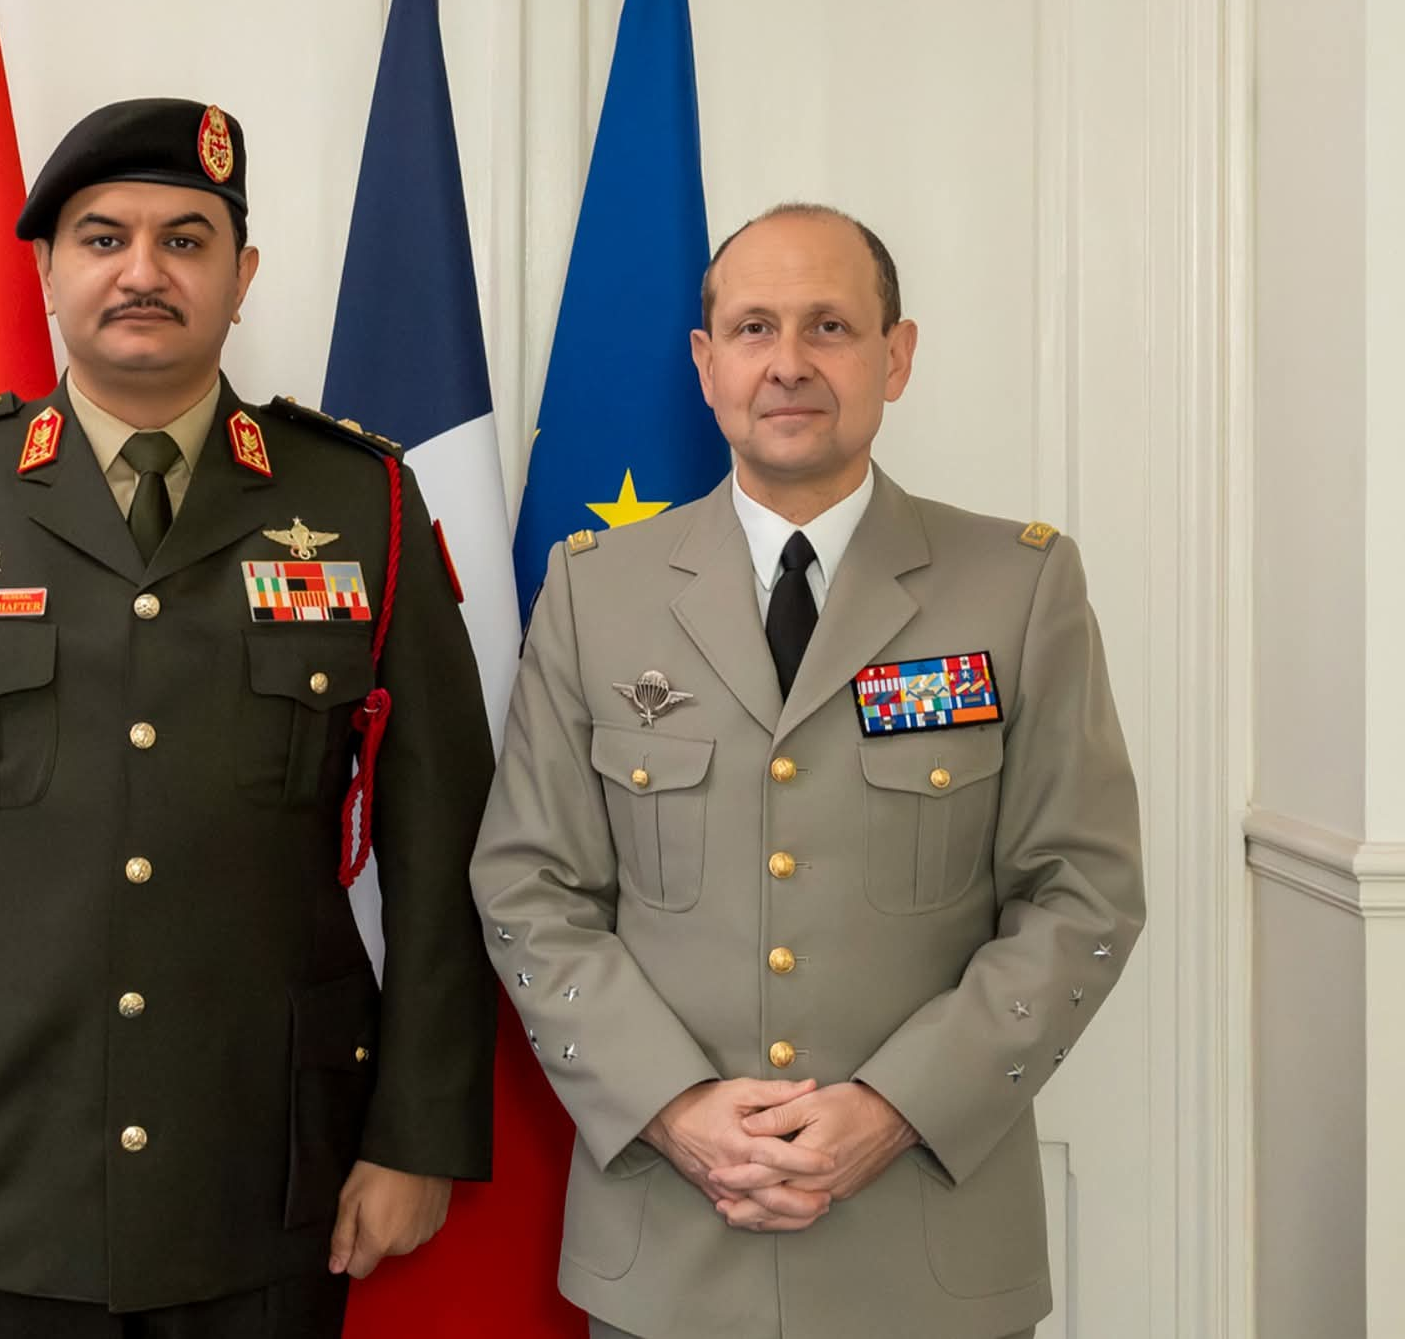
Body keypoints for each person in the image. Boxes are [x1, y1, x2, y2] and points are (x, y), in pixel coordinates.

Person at [0, 97, 495, 1339]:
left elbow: (442, 849)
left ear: (241, 276)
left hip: (265, 1165)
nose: (142, 271)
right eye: (102, 238)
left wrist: (415, 1134)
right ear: (47, 273)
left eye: (185, 240)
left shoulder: (361, 501)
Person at [470, 203, 1144, 1339]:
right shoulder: (595, 593)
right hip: (667, 1252)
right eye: (753, 328)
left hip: (925, 1252)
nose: (787, 362)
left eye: (829, 325)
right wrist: (673, 1105)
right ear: (705, 364)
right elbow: (529, 888)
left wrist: (896, 1106)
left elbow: (1084, 892)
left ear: (896, 355)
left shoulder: (1017, 588)